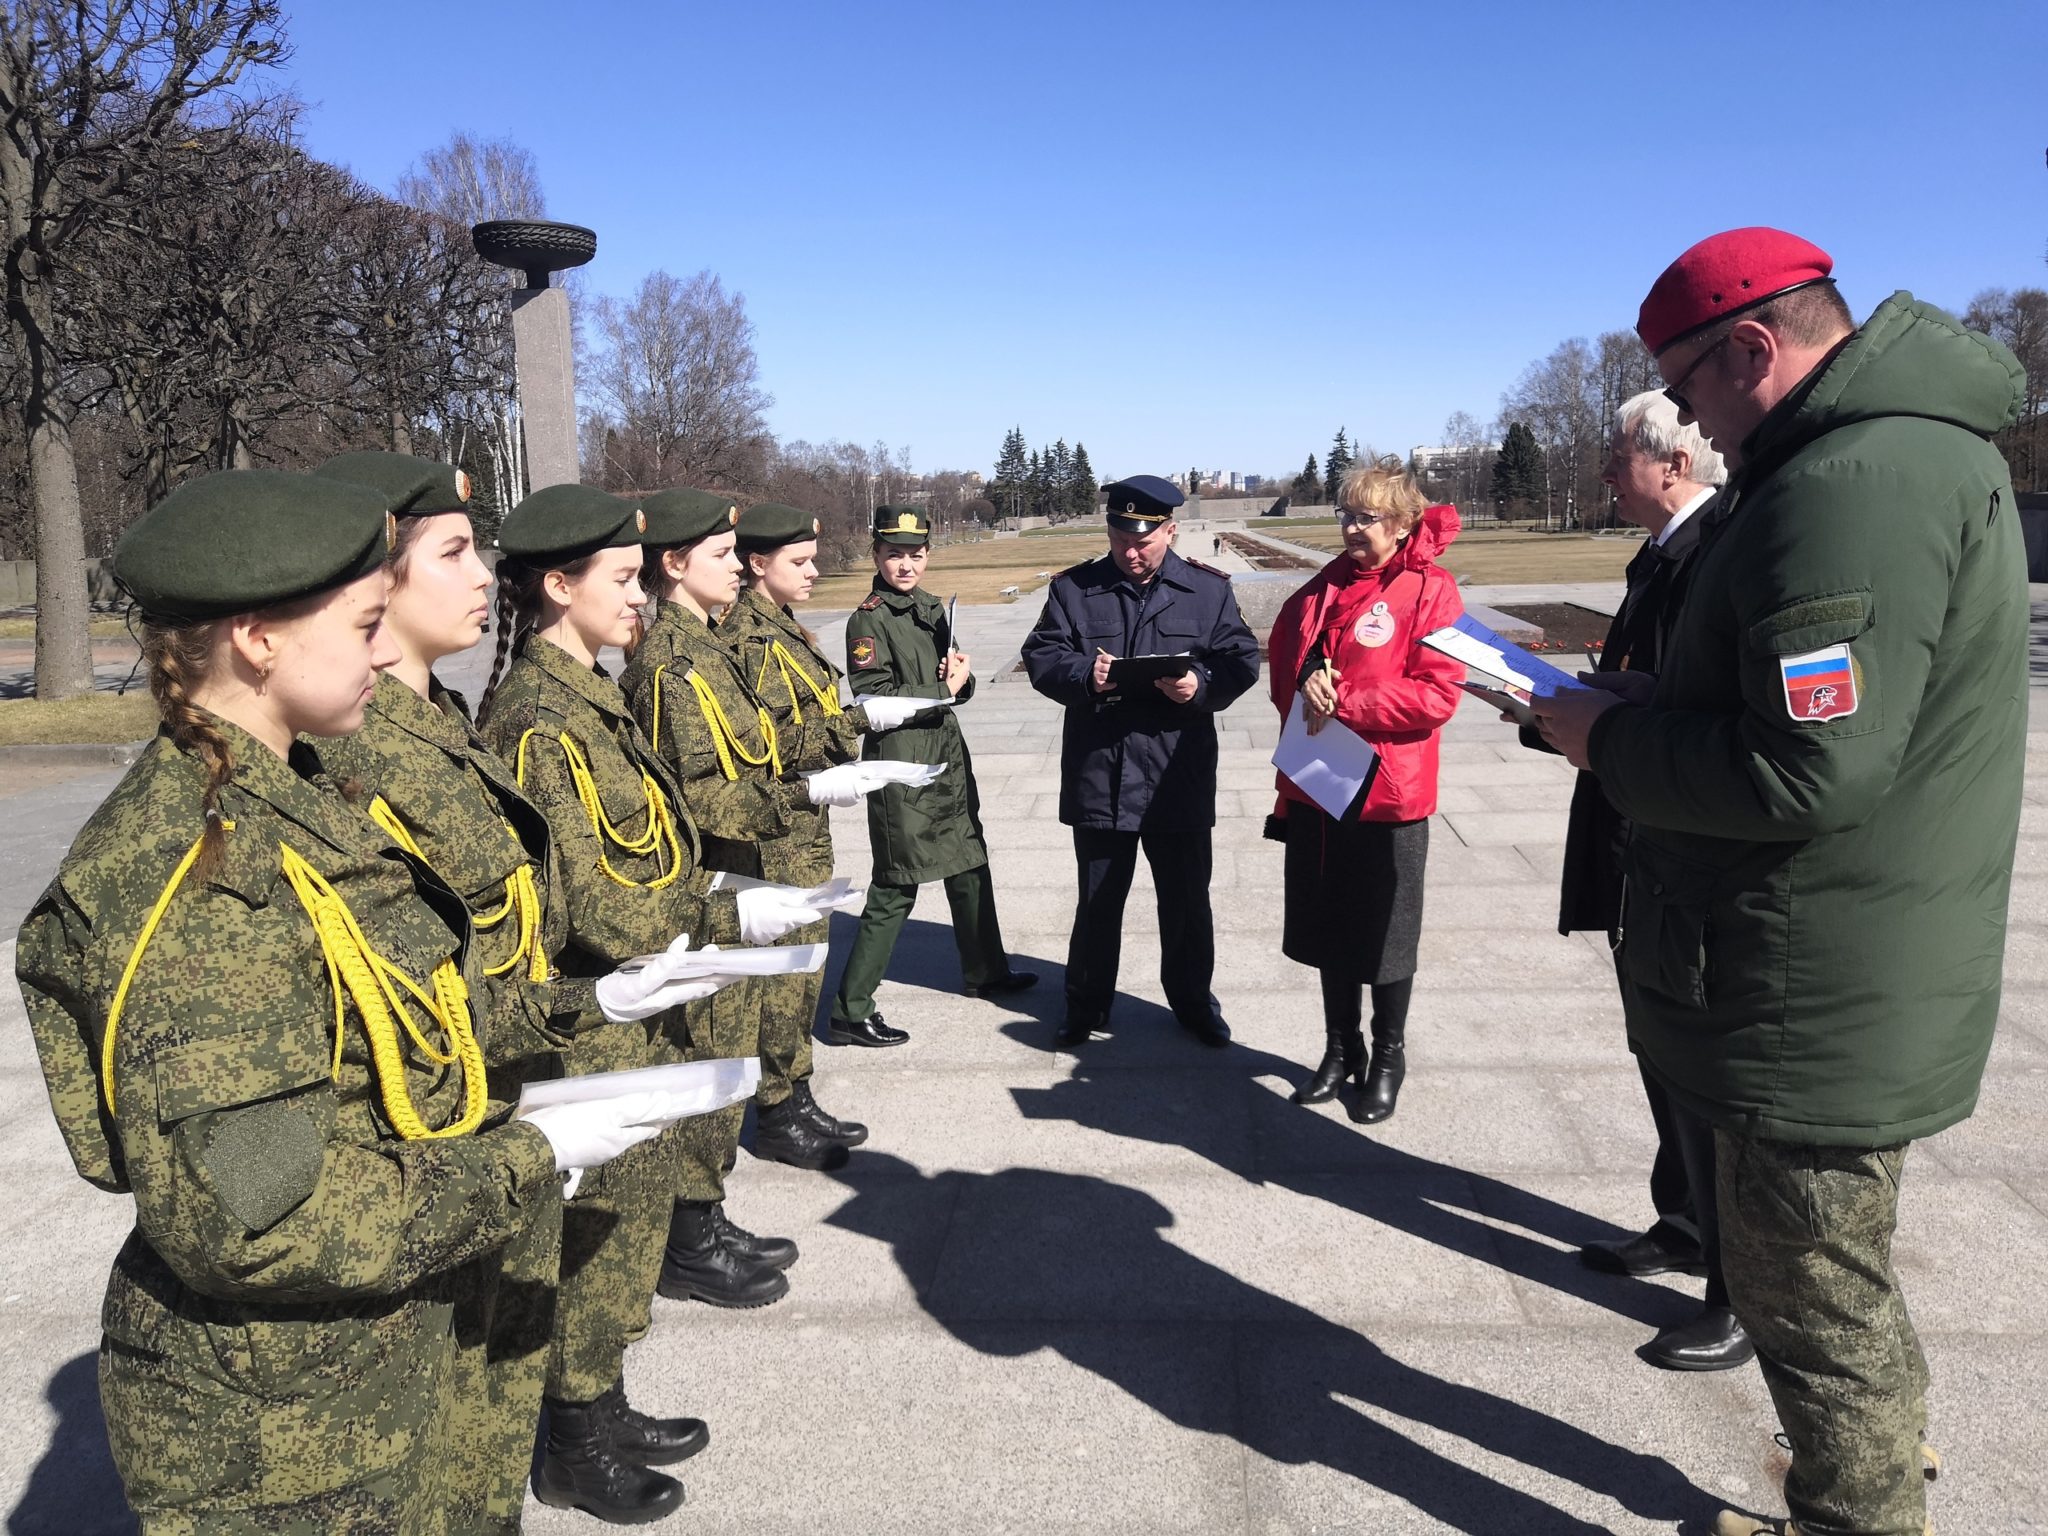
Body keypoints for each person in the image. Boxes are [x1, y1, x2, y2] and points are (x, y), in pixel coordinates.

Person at [15, 469, 660, 1532]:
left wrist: (576, 1014)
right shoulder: (204, 880)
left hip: (372, 1360)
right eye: (363, 624)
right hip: (286, 1437)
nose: (381, 653)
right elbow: (260, 1224)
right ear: (258, 637)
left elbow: (392, 1016)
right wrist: (528, 1156)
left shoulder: (302, 792)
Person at [1533, 227, 2028, 1536]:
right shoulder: (1875, 458)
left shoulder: (1851, 484)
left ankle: (1858, 1515)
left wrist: (1611, 739)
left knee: (1814, 1305)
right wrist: (1653, 693)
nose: (1688, 422)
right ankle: (1867, 1490)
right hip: (1842, 958)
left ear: (1754, 347)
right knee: (1834, 1292)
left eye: (1689, 387)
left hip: (1817, 984)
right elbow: (1823, 720)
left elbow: (1808, 772)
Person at [477, 482, 814, 1523]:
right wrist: (716, 913)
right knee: (599, 1238)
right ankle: (573, 1443)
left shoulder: (593, 692)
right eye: (621, 580)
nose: (639, 598)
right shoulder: (537, 718)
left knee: (625, 1240)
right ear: (557, 584)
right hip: (603, 1019)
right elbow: (591, 898)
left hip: (649, 997)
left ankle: (602, 1405)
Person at [1519, 399, 1750, 1374]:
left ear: (1671, 463)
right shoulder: (1662, 552)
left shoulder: (1712, 552)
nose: (1606, 471)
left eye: (1617, 457)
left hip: (1680, 839)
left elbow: (1704, 709)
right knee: (1655, 1042)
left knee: (1701, 1068)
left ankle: (1736, 1294)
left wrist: (1599, 717)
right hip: (1634, 828)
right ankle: (1684, 1222)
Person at [623, 489, 890, 1180]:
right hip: (758, 844)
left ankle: (788, 1096)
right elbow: (691, 793)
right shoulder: (675, 656)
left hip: (780, 830)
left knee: (794, 984)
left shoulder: (710, 639)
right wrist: (818, 773)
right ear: (676, 564)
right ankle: (776, 1107)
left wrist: (853, 729)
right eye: (723, 554)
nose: (738, 567)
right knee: (766, 992)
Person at [1021, 475, 1260, 1048]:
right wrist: (1086, 674)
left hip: (1176, 774)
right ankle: (1085, 1004)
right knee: (1098, 903)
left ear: (1170, 532)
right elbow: (1042, 654)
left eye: (1145, 541)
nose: (1131, 551)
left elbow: (1240, 658)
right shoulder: (1075, 589)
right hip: (1101, 774)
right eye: (1121, 538)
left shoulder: (1207, 591)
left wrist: (1200, 684)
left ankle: (1193, 1002)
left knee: (1185, 904)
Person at [716, 502, 935, 1103]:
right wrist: (856, 722)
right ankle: (784, 1101)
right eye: (801, 561)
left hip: (802, 823)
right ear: (758, 564)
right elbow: (769, 743)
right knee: (786, 972)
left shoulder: (780, 624)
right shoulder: (749, 638)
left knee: (802, 966)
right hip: (779, 827)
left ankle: (794, 1093)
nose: (814, 571)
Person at [1267, 459, 1463, 1123]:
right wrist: (1306, 685)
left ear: (1403, 522)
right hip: (1324, 783)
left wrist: (1345, 698)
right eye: (1346, 514)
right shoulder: (1328, 584)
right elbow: (1288, 658)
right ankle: (1339, 1046)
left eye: (1366, 517)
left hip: (1389, 794)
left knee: (1387, 934)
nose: (1351, 528)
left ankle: (1387, 1054)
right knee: (1328, 925)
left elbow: (1437, 694)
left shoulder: (1431, 590)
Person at [829, 504, 1036, 1042]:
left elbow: (953, 687)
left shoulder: (931, 609)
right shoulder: (867, 619)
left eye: (915, 555)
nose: (905, 565)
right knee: (898, 882)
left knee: (970, 864)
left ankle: (985, 971)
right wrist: (940, 692)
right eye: (894, 554)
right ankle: (850, 1010)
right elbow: (872, 697)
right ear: (876, 555)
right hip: (900, 762)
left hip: (945, 756)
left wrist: (959, 680)